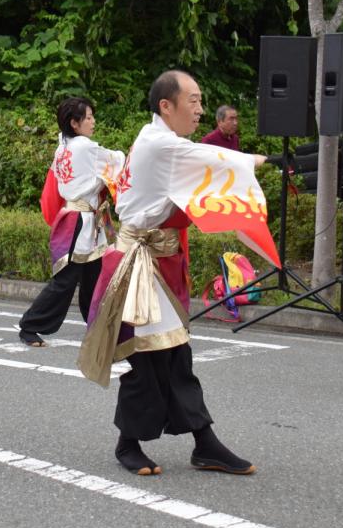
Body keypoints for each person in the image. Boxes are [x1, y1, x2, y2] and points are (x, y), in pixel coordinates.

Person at [78, 70, 273, 477]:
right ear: (166, 106)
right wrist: (258, 161)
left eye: (201, 101)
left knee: (173, 355)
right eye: (194, 101)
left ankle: (203, 442)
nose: (201, 110)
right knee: (149, 357)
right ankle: (132, 443)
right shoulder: (160, 144)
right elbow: (212, 162)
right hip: (141, 263)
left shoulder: (163, 142)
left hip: (156, 261)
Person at [18, 97, 124, 347]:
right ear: (75, 123)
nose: (93, 121)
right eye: (88, 117)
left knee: (94, 276)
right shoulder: (85, 147)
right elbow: (117, 161)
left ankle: (99, 327)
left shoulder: (63, 147)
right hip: (81, 220)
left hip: (84, 218)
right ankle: (30, 325)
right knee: (66, 280)